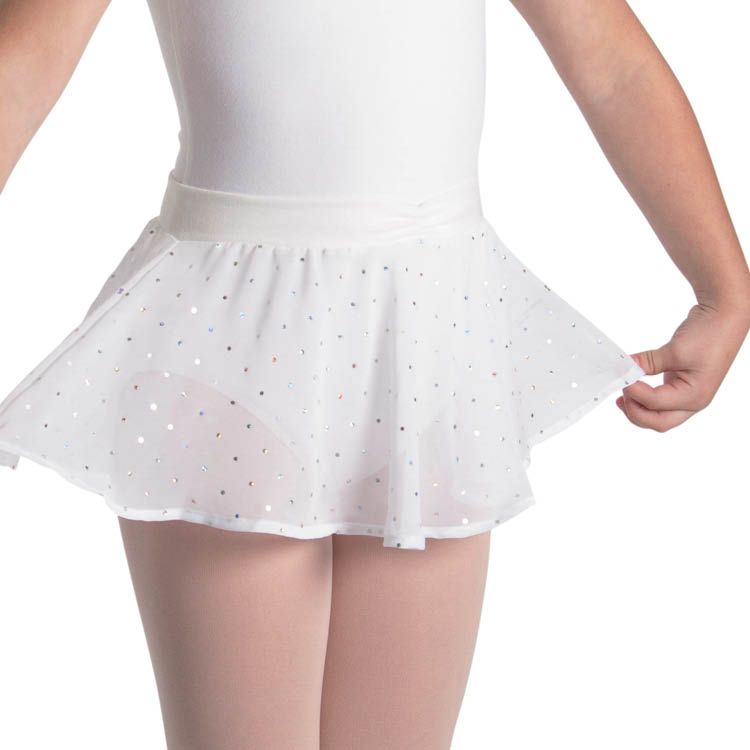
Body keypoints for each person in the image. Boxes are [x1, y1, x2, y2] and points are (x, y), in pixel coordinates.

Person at [0, 1, 748, 748]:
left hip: (431, 333)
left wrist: (723, 287)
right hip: (234, 337)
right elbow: (23, 60)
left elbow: (611, 63)